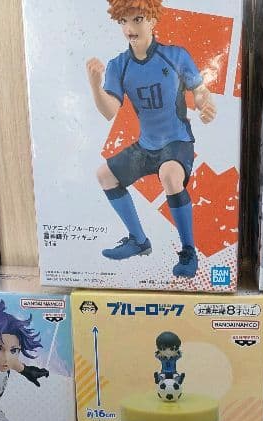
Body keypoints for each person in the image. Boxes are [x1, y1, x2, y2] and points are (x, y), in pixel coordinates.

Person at [86, 0, 217, 277]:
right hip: (146, 146)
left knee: (170, 175)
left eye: (137, 19)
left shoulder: (175, 55)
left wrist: (204, 103)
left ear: (153, 20)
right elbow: (109, 111)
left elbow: (199, 89)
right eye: (123, 21)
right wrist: (95, 86)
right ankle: (139, 241)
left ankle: (189, 251)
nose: (129, 28)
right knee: (104, 175)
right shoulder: (119, 65)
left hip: (177, 141)